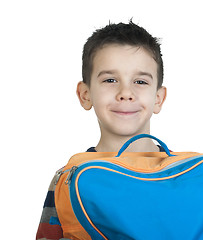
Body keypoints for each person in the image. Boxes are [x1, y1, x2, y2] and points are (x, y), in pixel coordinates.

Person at [36, 20, 167, 240]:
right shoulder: (69, 179)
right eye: (110, 79)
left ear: (158, 99)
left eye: (140, 81)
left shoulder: (190, 176)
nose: (126, 92)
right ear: (85, 95)